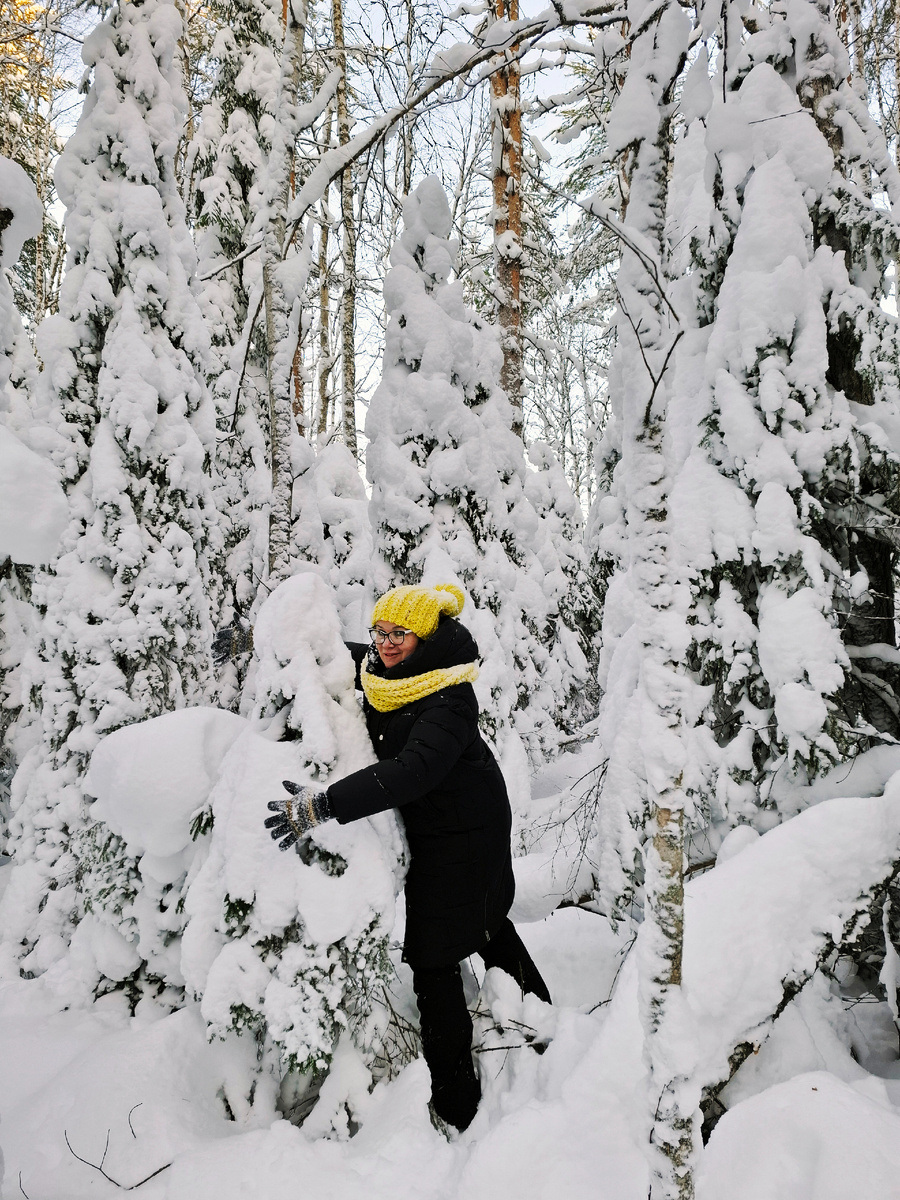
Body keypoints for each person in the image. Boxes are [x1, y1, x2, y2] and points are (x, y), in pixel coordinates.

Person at [265, 582, 551, 1132]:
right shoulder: (387, 671)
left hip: (467, 835)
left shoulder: (449, 698)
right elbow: (353, 661)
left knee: (433, 961)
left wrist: (323, 805)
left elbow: (410, 772)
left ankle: (458, 1107)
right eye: (381, 632)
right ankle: (544, 1023)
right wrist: (308, 647)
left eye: (402, 634)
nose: (388, 644)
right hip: (445, 827)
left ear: (427, 637)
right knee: (487, 926)